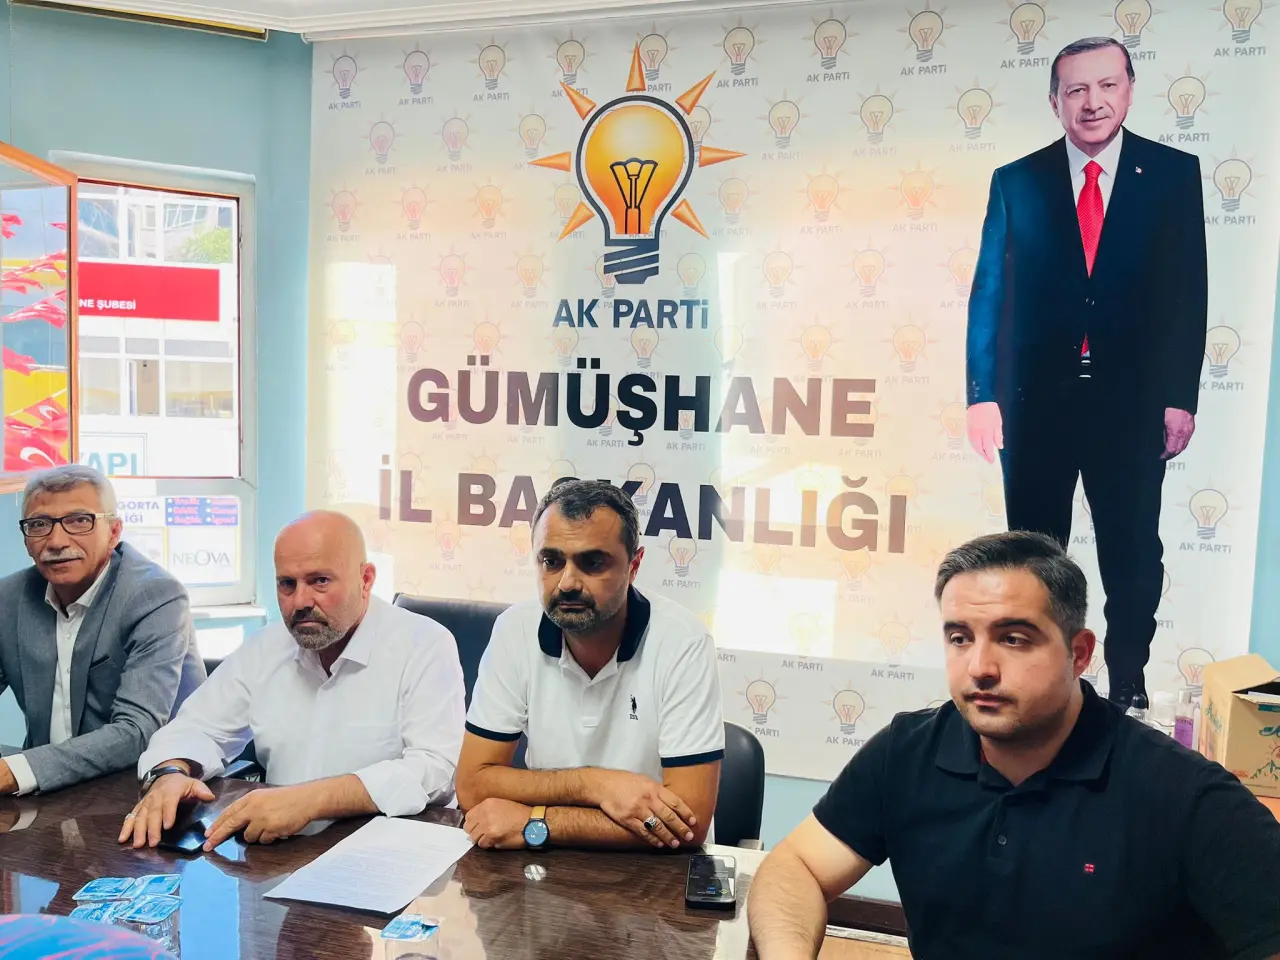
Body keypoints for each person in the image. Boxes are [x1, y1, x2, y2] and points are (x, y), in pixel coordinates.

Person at [747, 532, 1280, 960]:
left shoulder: (1185, 797)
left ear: (1079, 653)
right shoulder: (906, 752)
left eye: (1013, 638)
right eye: (960, 637)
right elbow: (796, 867)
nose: (980, 667)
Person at [965, 37, 1207, 707]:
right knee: (1033, 554)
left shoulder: (1172, 174)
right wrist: (982, 394)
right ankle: (1040, 675)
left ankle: (1128, 679)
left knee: (1133, 550)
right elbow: (989, 293)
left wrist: (1179, 396)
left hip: (1131, 404)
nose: (1092, 102)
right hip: (1035, 404)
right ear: (1055, 101)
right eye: (1076, 90)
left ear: (1129, 90)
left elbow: (1186, 293)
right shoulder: (1017, 181)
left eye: (1106, 86)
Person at [119, 511, 465, 850]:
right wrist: (170, 772)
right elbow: (197, 726)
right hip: (279, 851)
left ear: (366, 579)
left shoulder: (424, 643)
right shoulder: (267, 647)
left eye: (320, 581)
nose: (300, 601)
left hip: (392, 851)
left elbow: (434, 771)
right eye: (287, 584)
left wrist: (312, 800)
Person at [457, 479, 724, 851]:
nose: (567, 582)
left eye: (592, 562)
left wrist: (536, 822)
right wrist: (594, 784)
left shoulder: (682, 642)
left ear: (634, 566)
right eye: (551, 561)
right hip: (541, 870)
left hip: (658, 870)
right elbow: (472, 785)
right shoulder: (514, 630)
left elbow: (687, 824)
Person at [0, 465, 204, 797]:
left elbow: (137, 732)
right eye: (39, 524)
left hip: (144, 792)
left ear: (113, 532)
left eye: (79, 520)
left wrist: (15, 770)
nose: (56, 541)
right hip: (46, 797)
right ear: (26, 539)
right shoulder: (9, 598)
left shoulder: (154, 596)